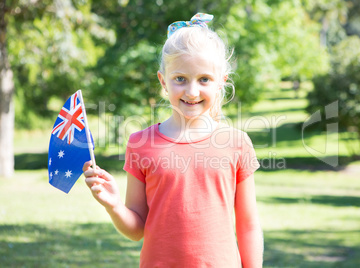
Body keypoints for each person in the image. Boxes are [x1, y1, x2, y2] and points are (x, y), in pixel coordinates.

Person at [83, 13, 264, 267]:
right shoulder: (140, 143)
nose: (191, 91)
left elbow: (248, 226)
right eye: (180, 79)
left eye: (204, 79)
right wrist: (113, 205)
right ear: (163, 81)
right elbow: (137, 230)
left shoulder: (237, 143)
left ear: (220, 83)